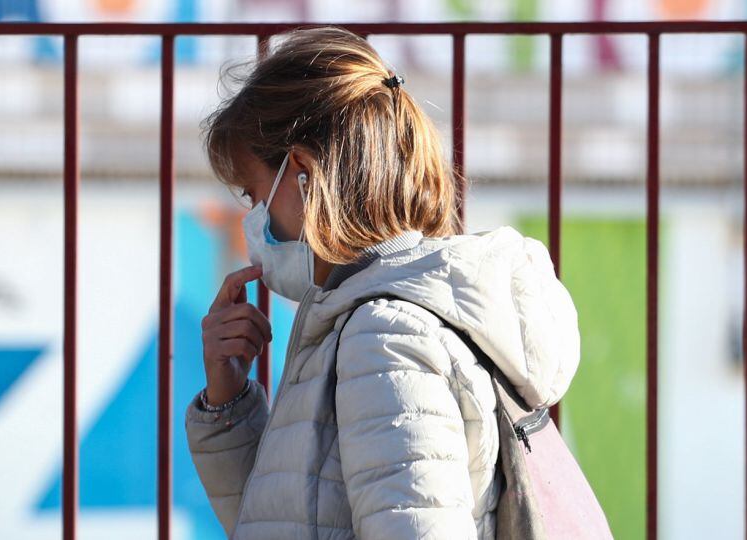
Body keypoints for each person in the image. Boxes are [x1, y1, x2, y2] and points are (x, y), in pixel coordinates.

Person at [186, 26, 581, 540]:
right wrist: (228, 400)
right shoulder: (364, 318)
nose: (253, 216)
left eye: (252, 192)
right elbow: (298, 516)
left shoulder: (385, 338)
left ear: (303, 174)